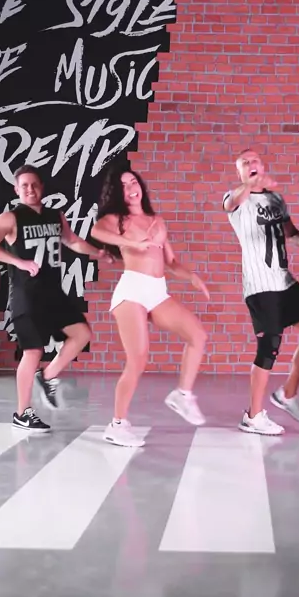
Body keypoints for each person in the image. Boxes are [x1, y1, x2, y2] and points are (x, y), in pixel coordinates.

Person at [91, 166, 209, 448]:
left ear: (140, 185)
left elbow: (171, 262)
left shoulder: (157, 221)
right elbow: (96, 231)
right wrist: (128, 241)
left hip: (157, 291)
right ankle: (117, 424)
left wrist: (191, 276)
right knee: (138, 358)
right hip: (132, 290)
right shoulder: (116, 219)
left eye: (133, 182)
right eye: (124, 186)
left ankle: (182, 394)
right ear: (118, 193)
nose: (131, 188)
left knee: (198, 335)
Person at [0, 164, 109, 432]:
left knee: (81, 334)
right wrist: (19, 262)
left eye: (34, 184)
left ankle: (47, 376)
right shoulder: (10, 218)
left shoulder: (54, 215)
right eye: (24, 185)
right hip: (26, 295)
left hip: (53, 293)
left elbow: (71, 240)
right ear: (16, 189)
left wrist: (97, 253)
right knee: (33, 351)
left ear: (41, 187)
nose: (30, 189)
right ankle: (22, 413)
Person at [223, 149, 299, 436]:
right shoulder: (236, 199)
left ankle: (287, 394)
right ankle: (253, 416)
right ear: (240, 172)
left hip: (284, 281)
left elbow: (289, 231)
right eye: (245, 163)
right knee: (269, 349)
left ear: (263, 165)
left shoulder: (276, 199)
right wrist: (251, 183)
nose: (251, 164)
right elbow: (232, 202)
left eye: (255, 160)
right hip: (260, 286)